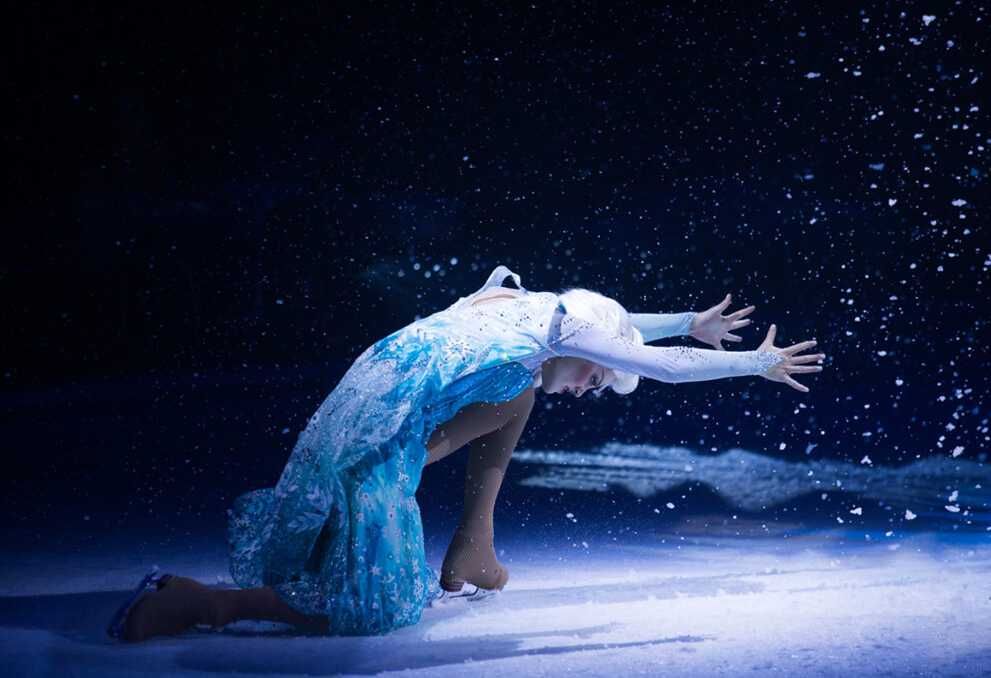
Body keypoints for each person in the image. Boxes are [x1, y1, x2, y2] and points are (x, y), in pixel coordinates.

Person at [115, 266, 823, 641]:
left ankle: (470, 547)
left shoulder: (515, 301)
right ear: (593, 347)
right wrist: (754, 364)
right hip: (372, 440)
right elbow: (655, 363)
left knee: (518, 396)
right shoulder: (562, 331)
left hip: (352, 417)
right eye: (597, 377)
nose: (587, 388)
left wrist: (687, 321)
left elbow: (609, 325)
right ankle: (209, 604)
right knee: (377, 610)